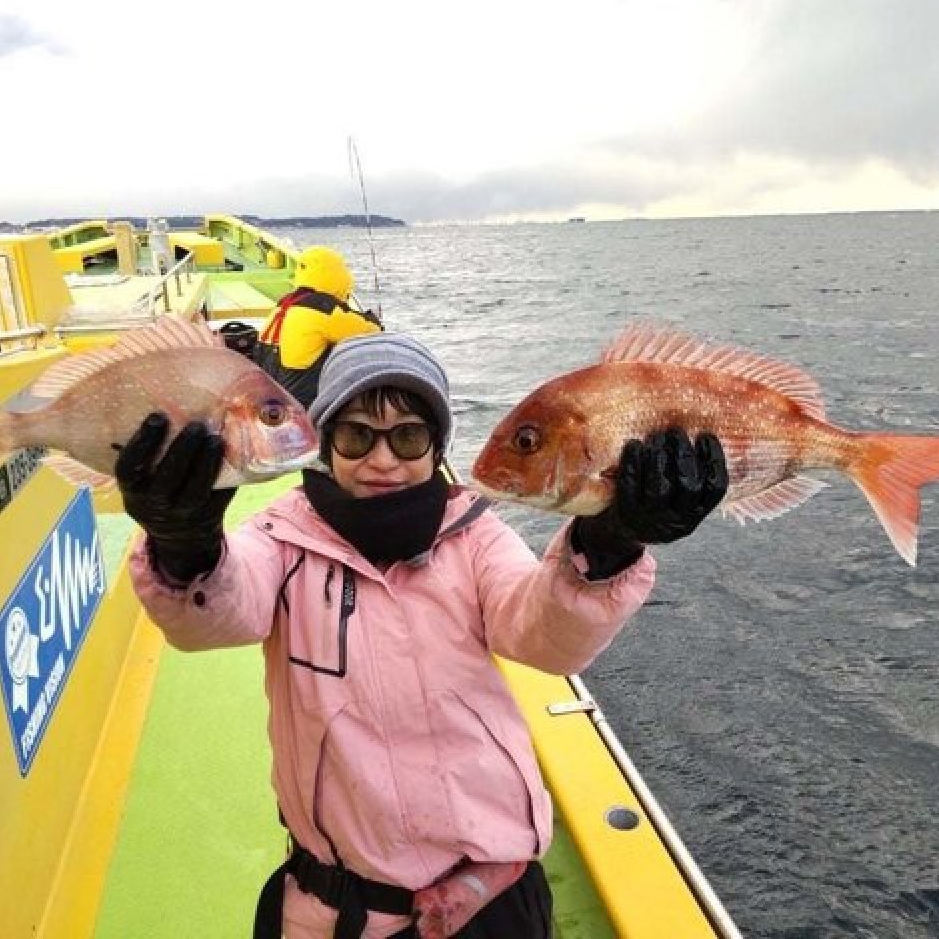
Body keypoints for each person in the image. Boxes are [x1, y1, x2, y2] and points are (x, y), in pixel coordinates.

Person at [116, 333, 729, 939]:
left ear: (436, 445)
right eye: (357, 436)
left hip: (494, 898)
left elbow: (545, 638)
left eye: (408, 437)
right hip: (335, 911)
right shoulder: (278, 539)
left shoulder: (476, 535)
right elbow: (217, 615)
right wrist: (184, 544)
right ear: (325, 443)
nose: (383, 461)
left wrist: (610, 541)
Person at [254, 245, 382, 407]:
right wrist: (373, 319)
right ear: (336, 275)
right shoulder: (322, 308)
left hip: (272, 400)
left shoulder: (284, 304)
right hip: (305, 406)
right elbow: (371, 331)